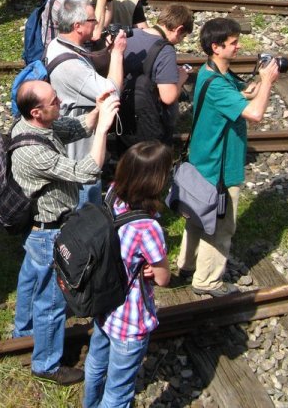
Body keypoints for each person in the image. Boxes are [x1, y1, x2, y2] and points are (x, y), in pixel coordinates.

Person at [12, 81, 120, 386]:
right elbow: (87, 172)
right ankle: (46, 364)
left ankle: (23, 333)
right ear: (37, 112)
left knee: (32, 279)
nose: (60, 101)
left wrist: (98, 110)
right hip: (50, 233)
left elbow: (76, 127)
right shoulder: (34, 152)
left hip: (39, 229)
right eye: (54, 101)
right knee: (53, 301)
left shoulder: (34, 127)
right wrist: (103, 131)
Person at [177, 18, 280, 297]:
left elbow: (243, 94)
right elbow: (255, 113)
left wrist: (259, 78)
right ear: (216, 47)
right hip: (219, 168)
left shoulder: (212, 73)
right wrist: (269, 82)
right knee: (221, 226)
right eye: (233, 43)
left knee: (198, 216)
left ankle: (187, 265)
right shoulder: (219, 85)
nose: (238, 47)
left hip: (202, 161)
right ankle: (207, 281)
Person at [83, 141, 172, 408]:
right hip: (129, 318)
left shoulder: (111, 195)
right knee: (119, 391)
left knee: (96, 365)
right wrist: (153, 268)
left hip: (104, 305)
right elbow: (163, 277)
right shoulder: (147, 227)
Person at [45, 0, 127, 205]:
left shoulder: (58, 44)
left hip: (75, 148)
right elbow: (112, 94)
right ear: (78, 26)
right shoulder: (71, 66)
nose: (97, 24)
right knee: (86, 216)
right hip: (81, 156)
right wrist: (117, 54)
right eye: (92, 20)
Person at [121, 4, 193, 145]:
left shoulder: (131, 34)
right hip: (147, 118)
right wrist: (181, 79)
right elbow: (168, 97)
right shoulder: (165, 50)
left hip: (124, 112)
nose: (180, 41)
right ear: (178, 30)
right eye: (183, 36)